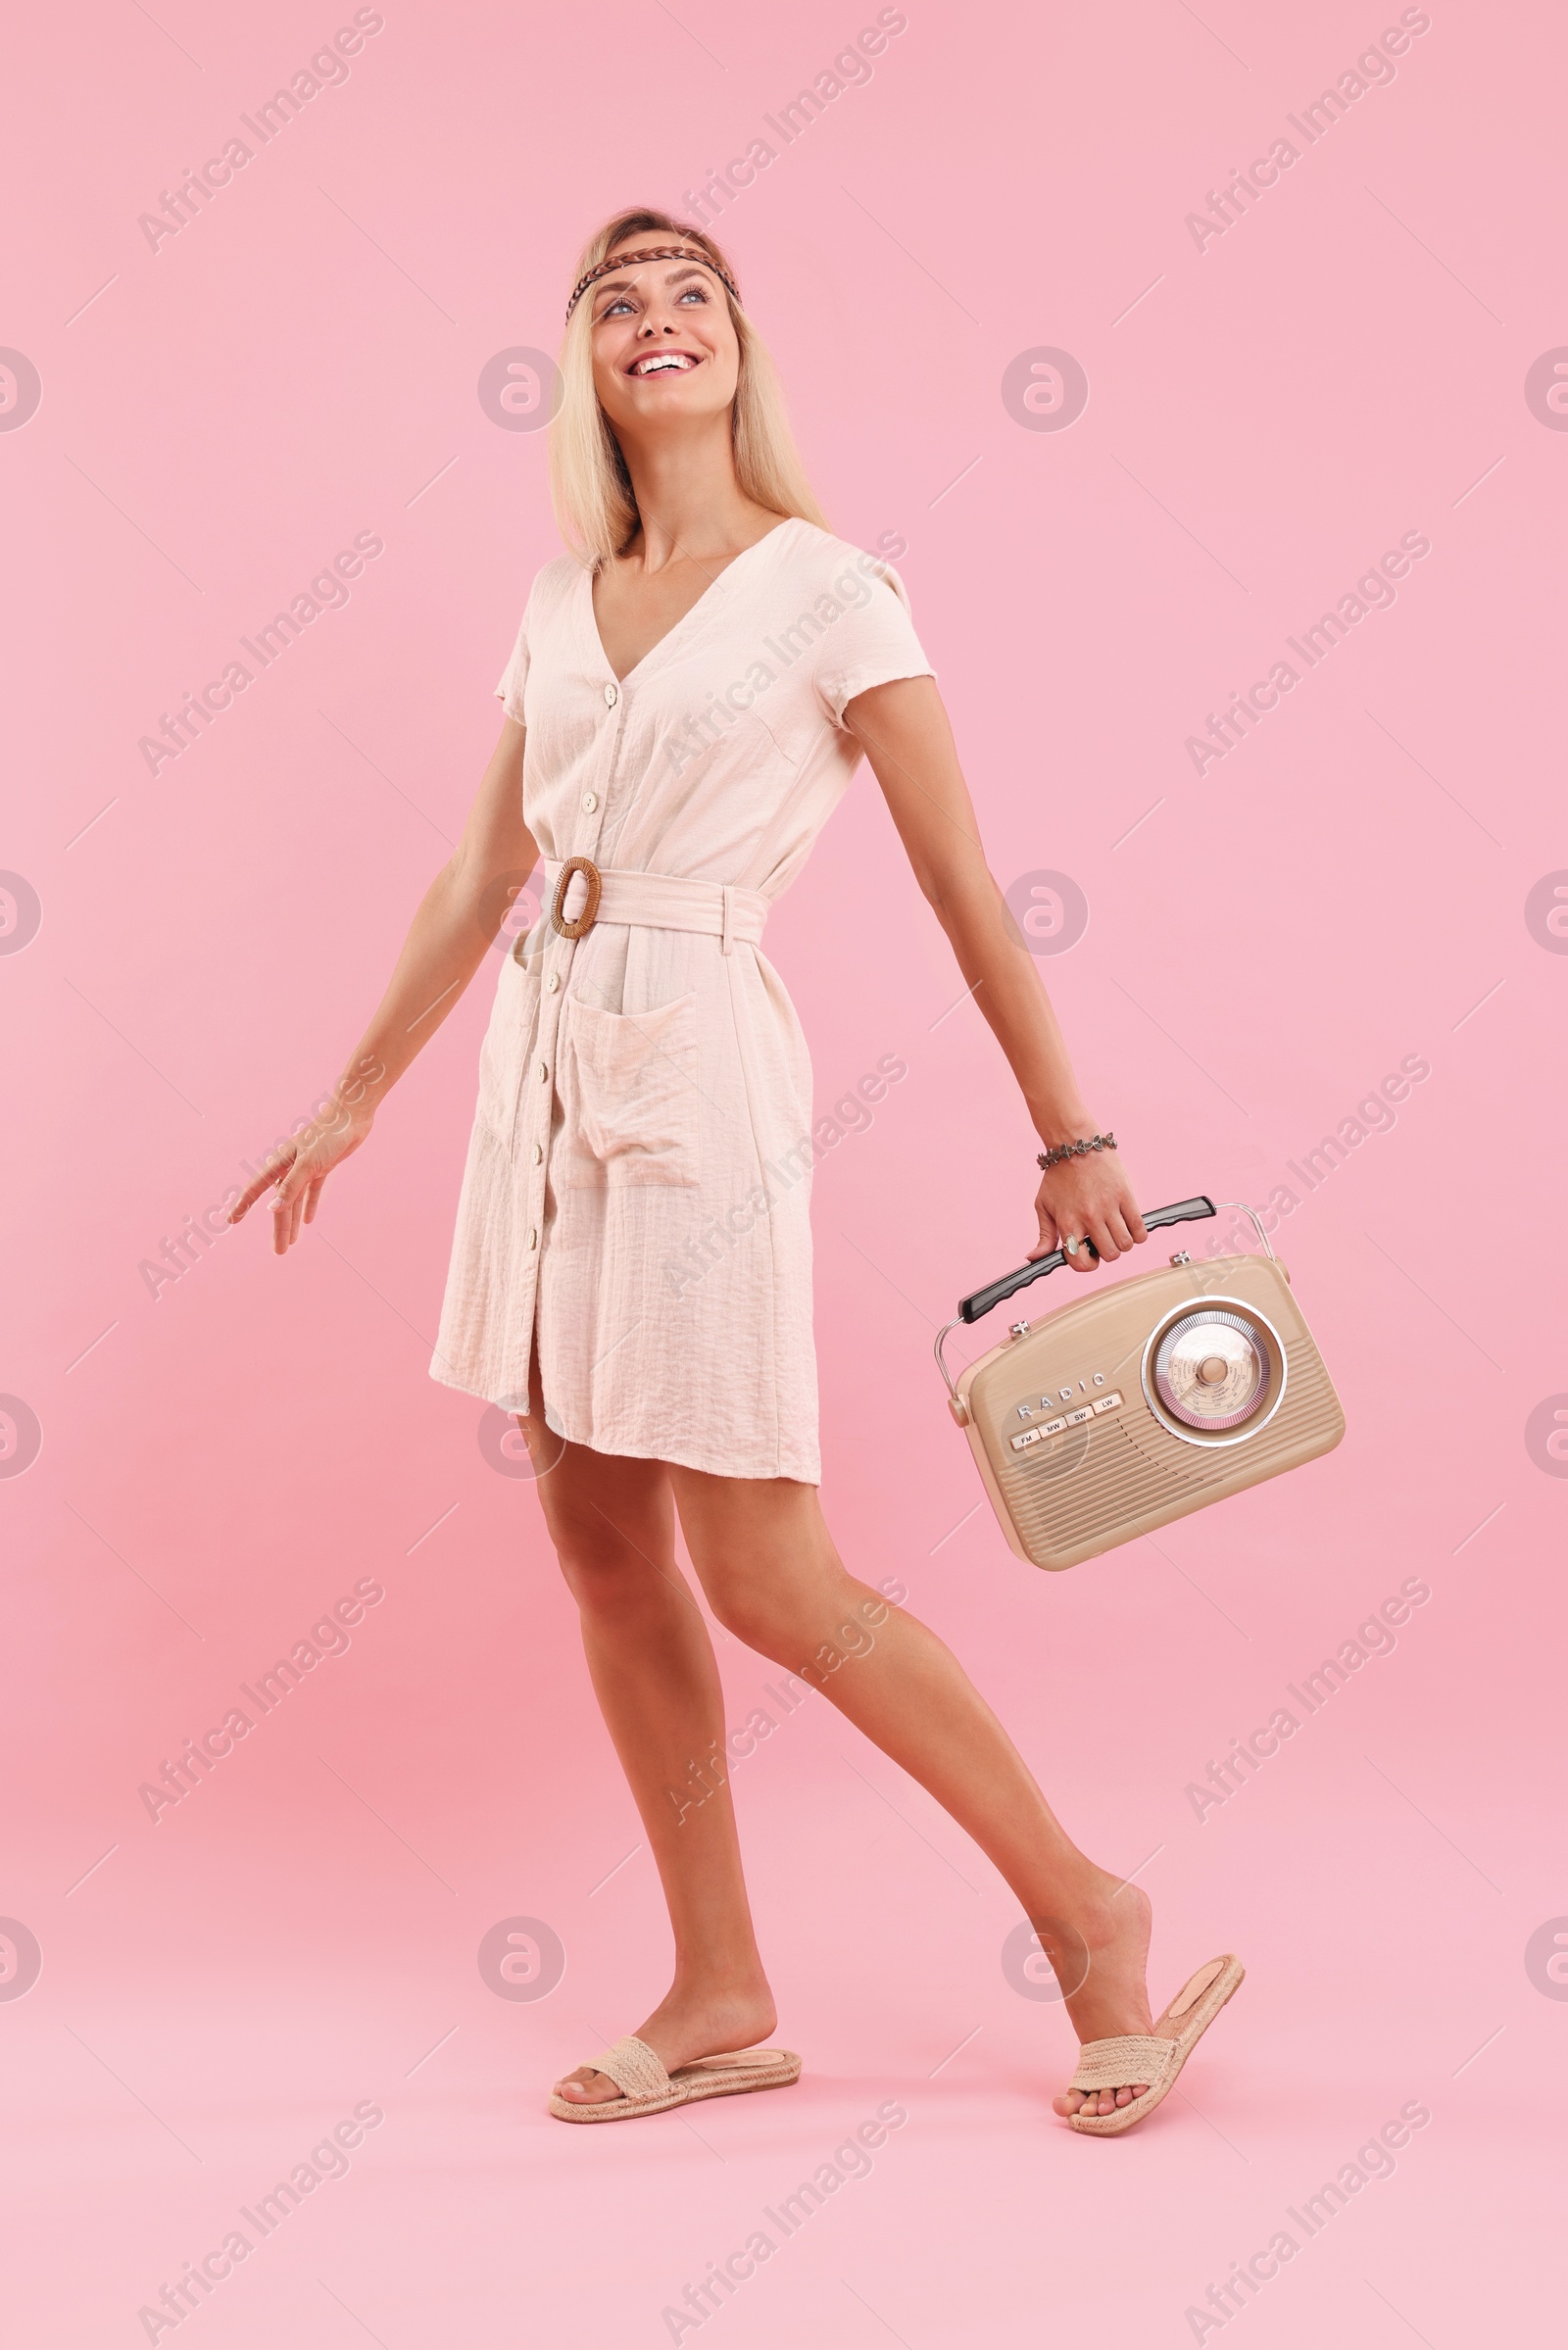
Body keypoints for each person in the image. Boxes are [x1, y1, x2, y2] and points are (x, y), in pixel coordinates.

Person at [229, 208, 1242, 2136]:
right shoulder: (555, 593)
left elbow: (963, 881)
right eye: (618, 299)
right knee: (601, 1548)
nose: (656, 316)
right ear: (585, 367)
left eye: (690, 291)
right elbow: (482, 870)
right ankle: (716, 1984)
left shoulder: (833, 590)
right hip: (543, 1071)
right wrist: (350, 1092)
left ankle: (1085, 1911)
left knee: (767, 1568)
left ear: (738, 348)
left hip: (691, 1065)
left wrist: (1069, 1131)